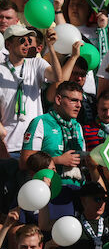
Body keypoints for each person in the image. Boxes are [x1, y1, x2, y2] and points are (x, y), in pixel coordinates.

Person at [0, 25, 62, 159]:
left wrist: (51, 48)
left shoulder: (36, 63)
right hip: (8, 146)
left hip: (35, 145)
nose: (27, 44)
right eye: (22, 40)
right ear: (8, 44)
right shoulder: (0, 70)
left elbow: (57, 77)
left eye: (29, 40)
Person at [20, 82, 85, 183]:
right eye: (73, 100)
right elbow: (25, 162)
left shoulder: (77, 127)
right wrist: (58, 160)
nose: (79, 105)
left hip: (77, 189)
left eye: (81, 101)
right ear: (58, 99)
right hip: (49, 190)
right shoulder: (41, 122)